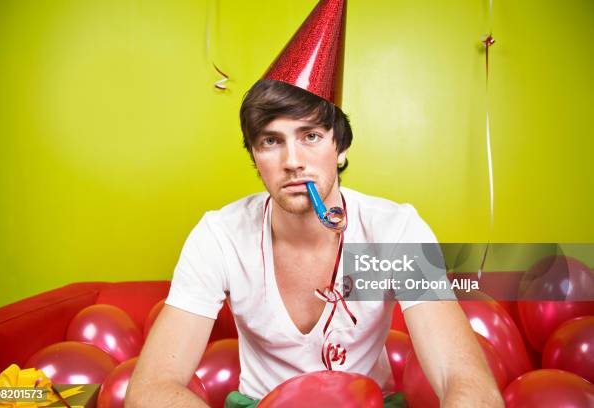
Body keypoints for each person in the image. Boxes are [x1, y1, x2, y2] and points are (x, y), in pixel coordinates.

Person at [126, 1, 503, 407]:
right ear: (254, 155)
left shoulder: (394, 231)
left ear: (339, 146)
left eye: (310, 137)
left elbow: (462, 377)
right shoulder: (221, 237)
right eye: (272, 141)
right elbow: (152, 389)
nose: (292, 162)